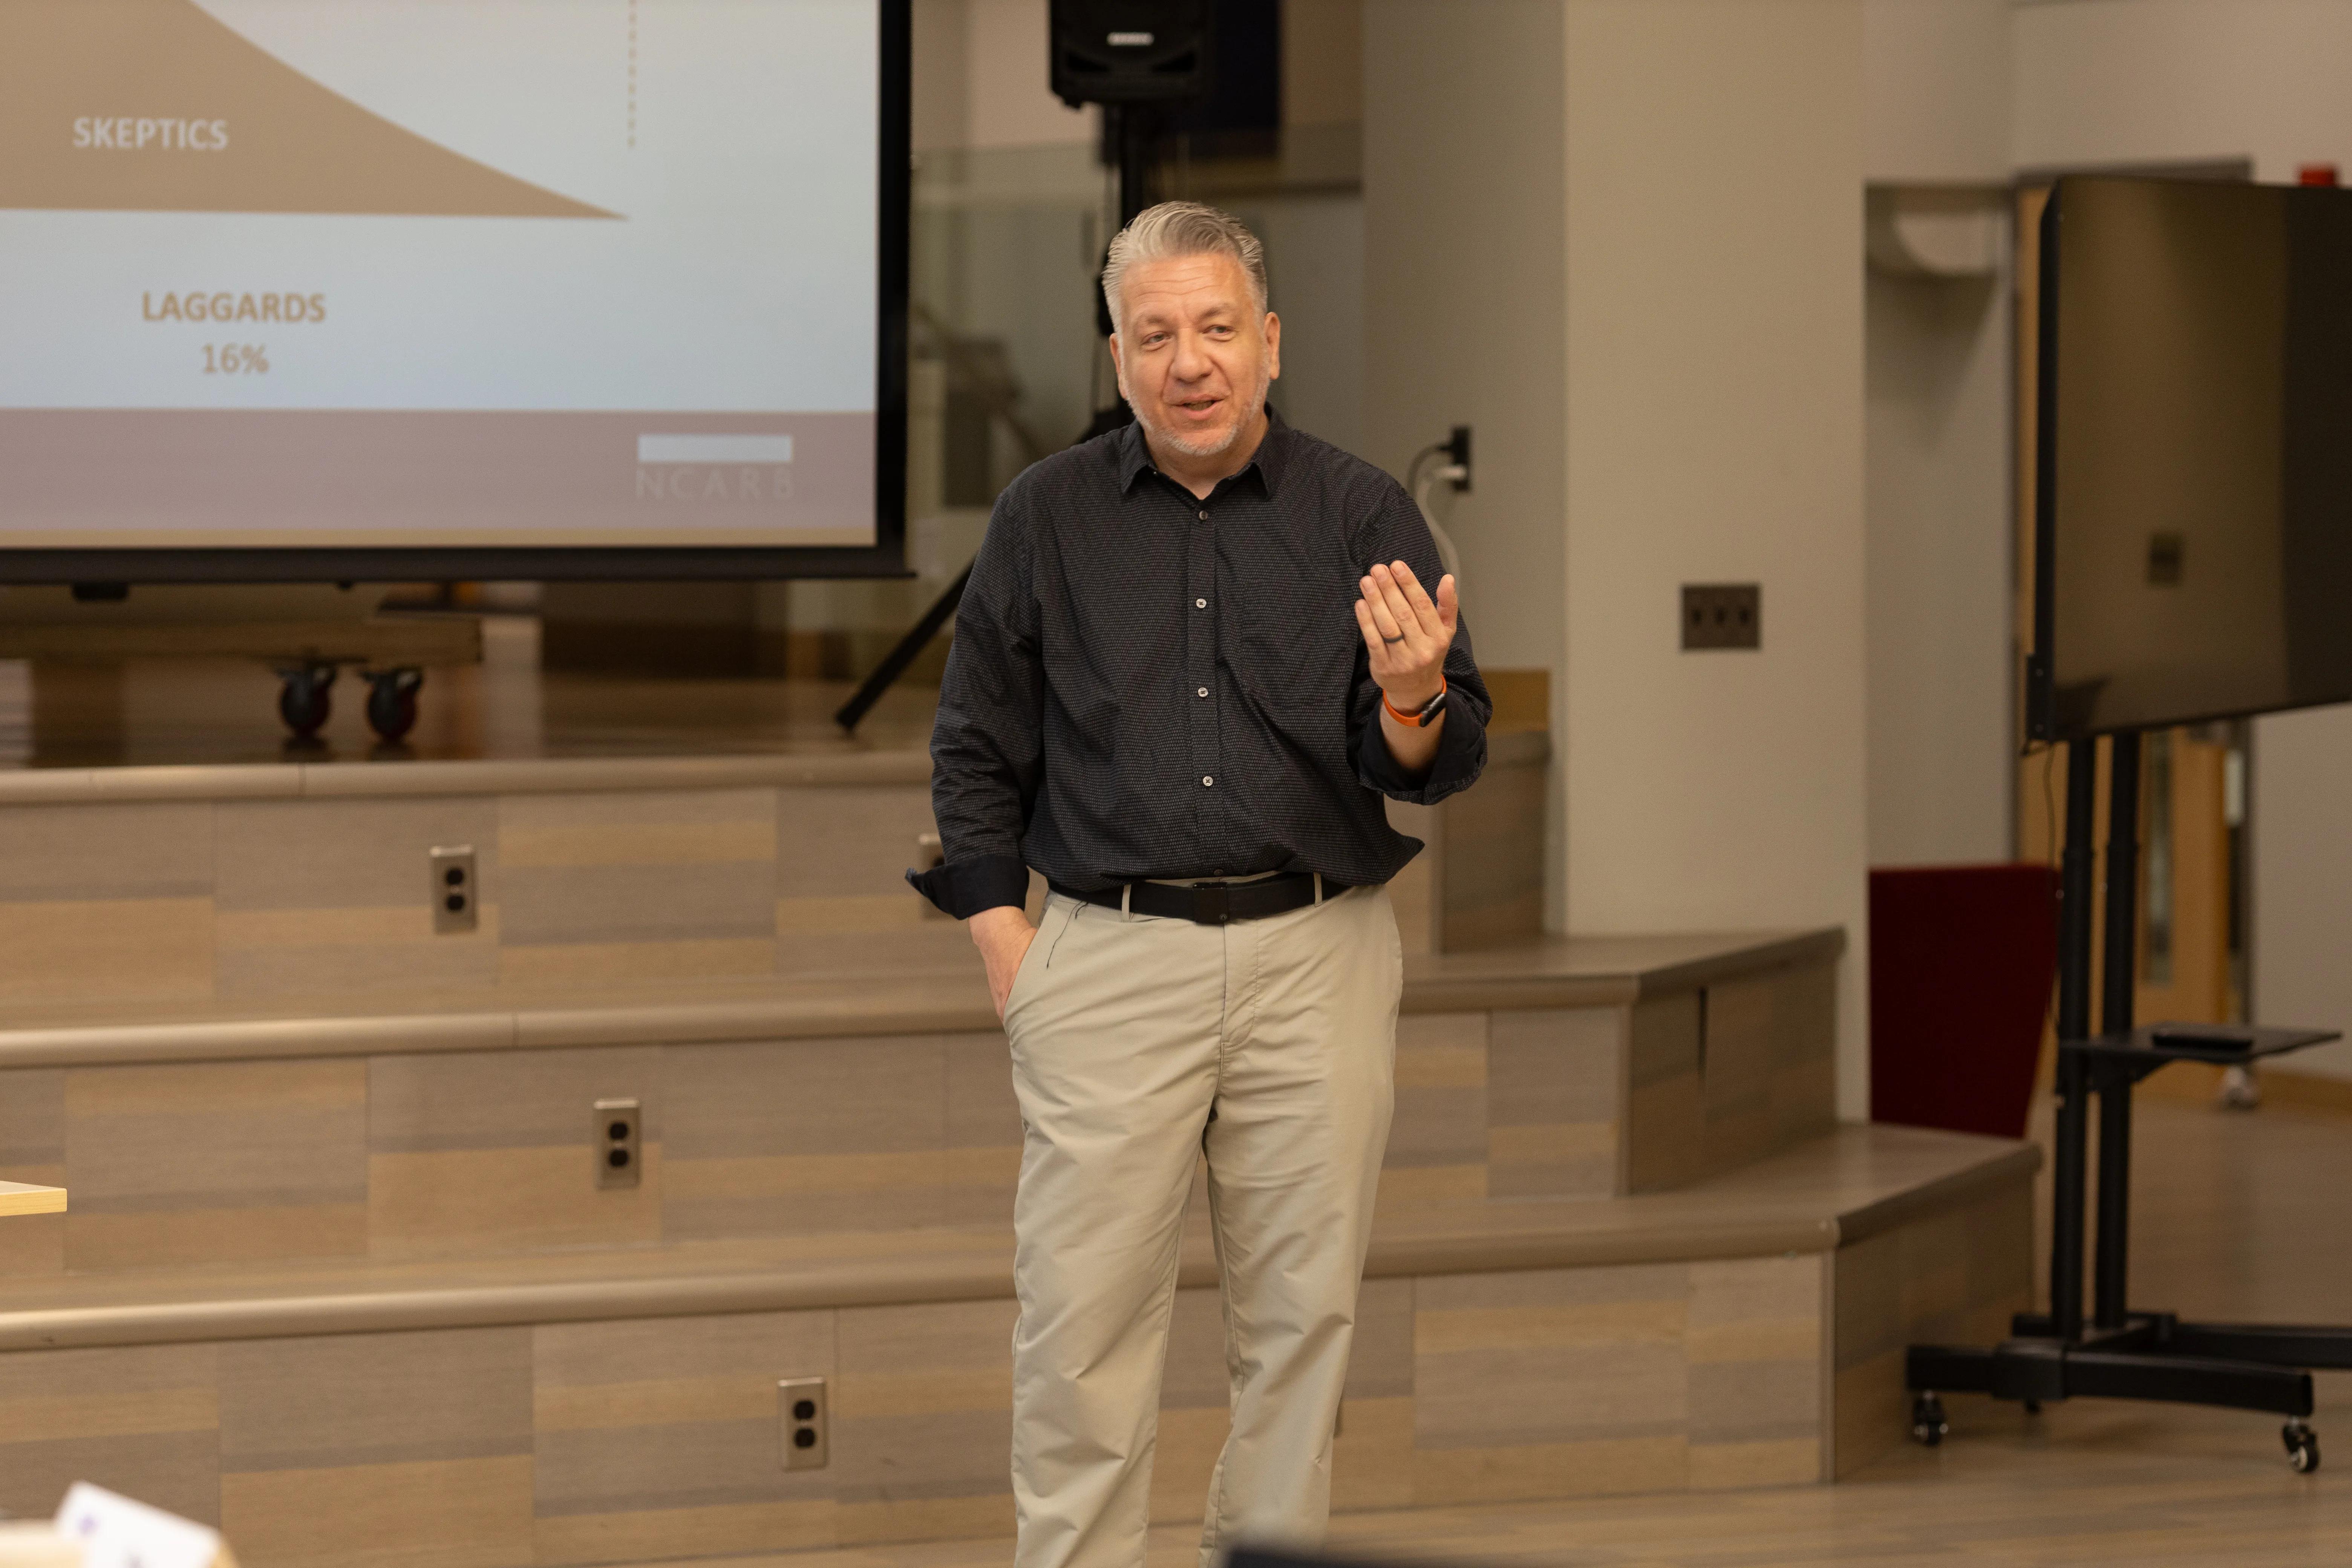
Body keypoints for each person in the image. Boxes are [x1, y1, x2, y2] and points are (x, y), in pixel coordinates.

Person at [908, 201, 1489, 1568]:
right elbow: (974, 748)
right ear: (1117, 357)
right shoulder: (1044, 517)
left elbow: (1435, 755)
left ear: (1270, 342)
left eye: (1218, 328)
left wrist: (1411, 697)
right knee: (1081, 1335)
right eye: (1156, 334)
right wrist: (1012, 949)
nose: (1191, 361)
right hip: (1106, 960)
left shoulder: (1361, 509)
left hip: (1318, 957)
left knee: (1302, 1333)